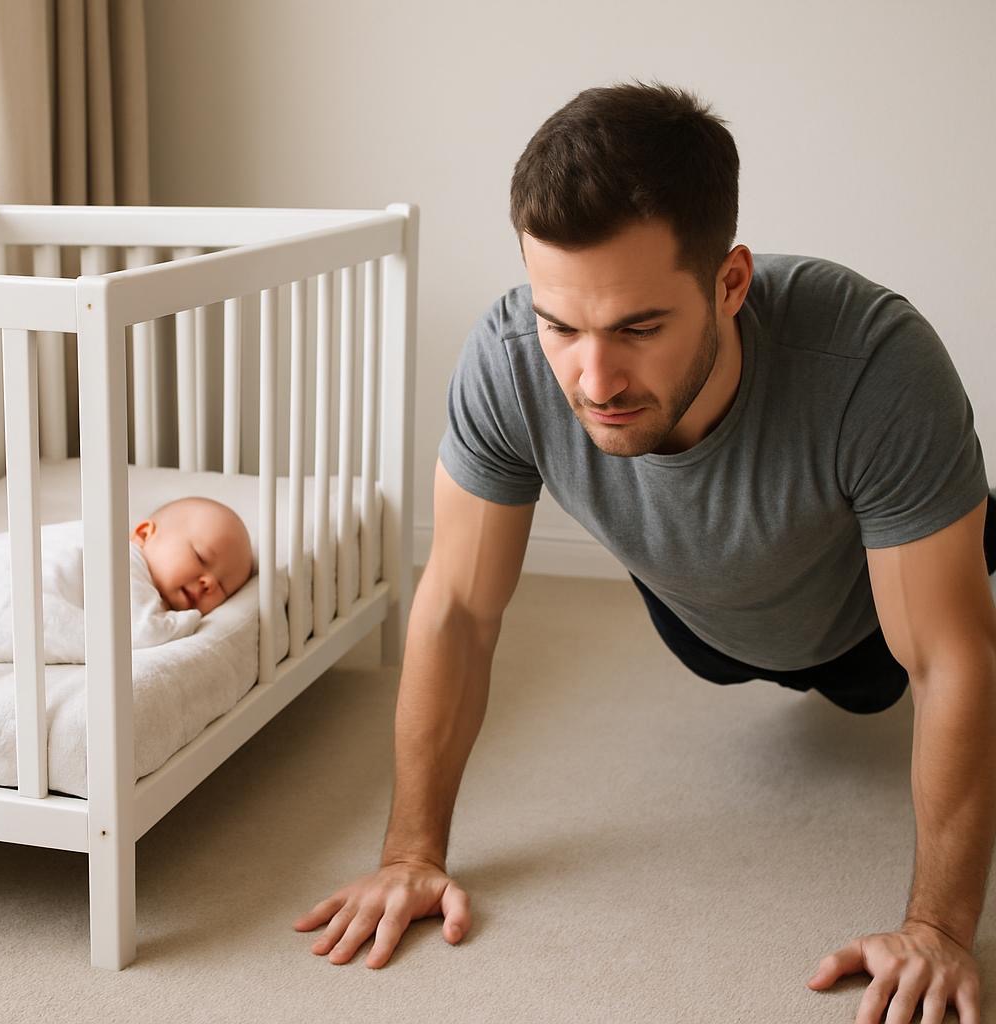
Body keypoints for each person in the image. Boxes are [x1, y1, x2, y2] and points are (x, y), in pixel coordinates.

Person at [293, 79, 995, 1022]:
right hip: (702, 620)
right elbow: (458, 610)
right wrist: (410, 855)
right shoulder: (507, 361)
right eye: (561, 326)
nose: (593, 377)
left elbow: (948, 660)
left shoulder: (874, 364)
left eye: (639, 328)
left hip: (863, 624)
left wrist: (940, 929)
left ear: (730, 283)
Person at [0, 495, 253, 663]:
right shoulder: (124, 558)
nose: (209, 582)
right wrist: (188, 619)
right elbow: (141, 633)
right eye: (201, 557)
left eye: (224, 588)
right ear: (144, 534)